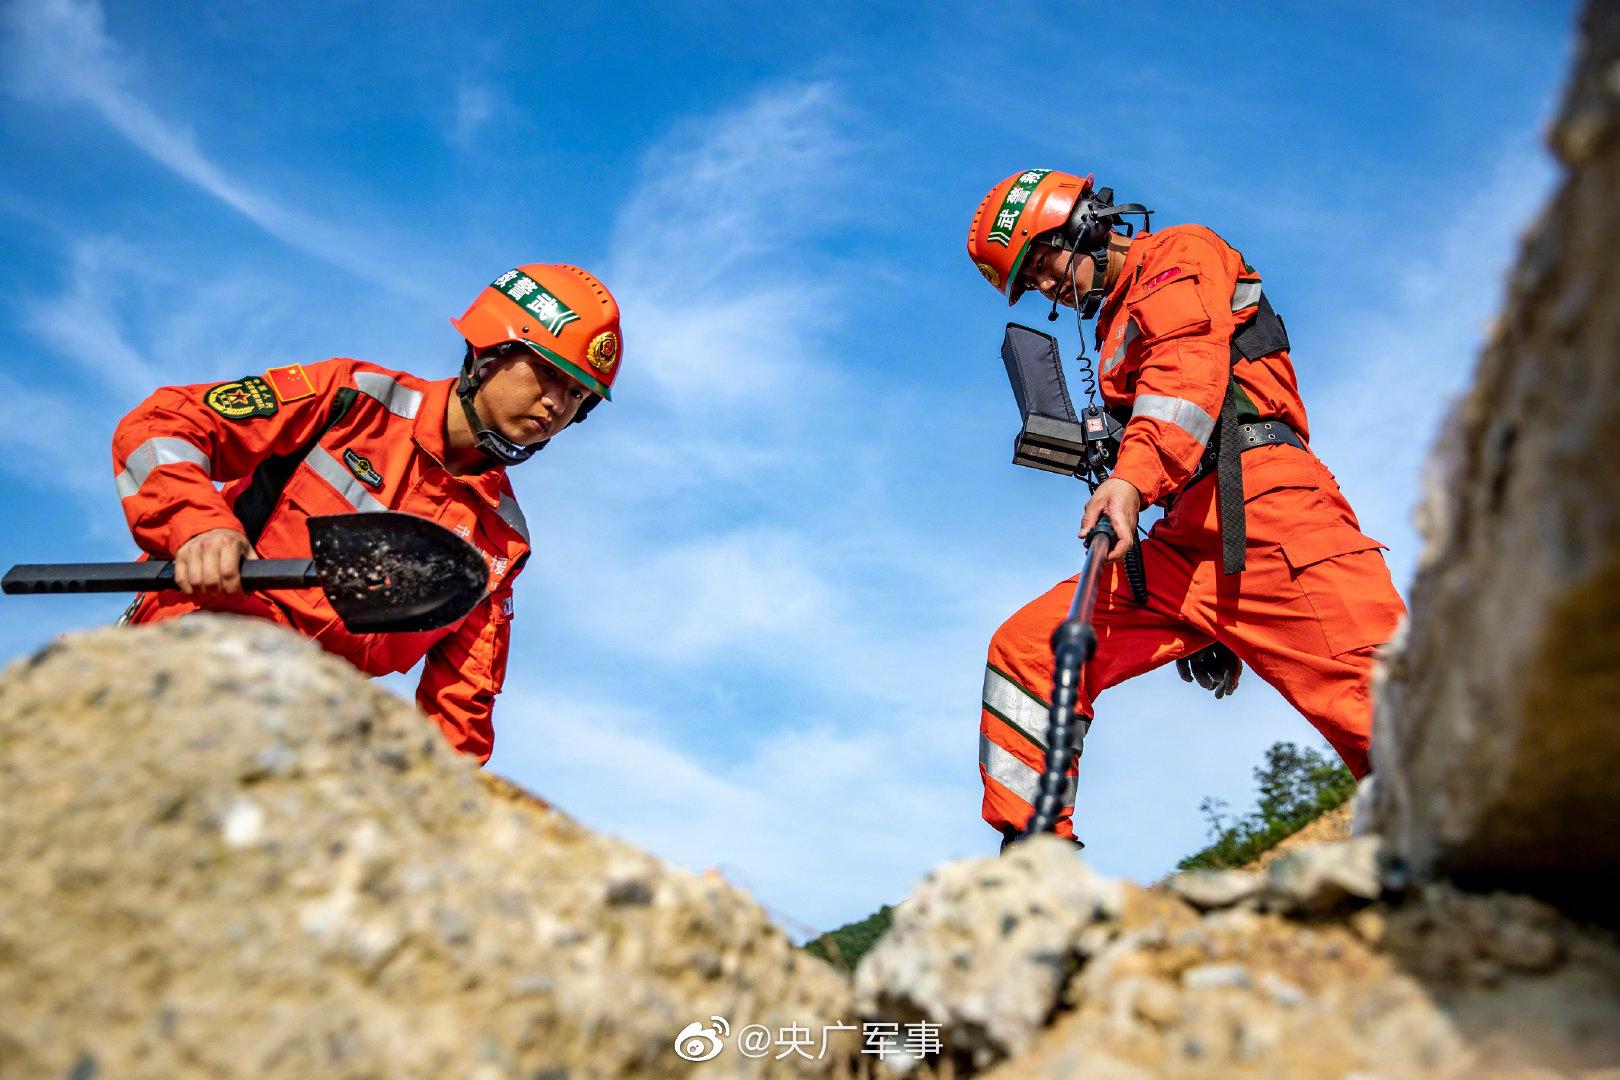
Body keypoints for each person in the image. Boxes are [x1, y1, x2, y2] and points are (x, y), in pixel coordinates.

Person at [966, 169, 1406, 845]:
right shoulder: (1113, 326)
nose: (1043, 289)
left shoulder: (1178, 255)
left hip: (1268, 510)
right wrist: (1209, 612)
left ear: (1077, 224)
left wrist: (1131, 478)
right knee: (1033, 648)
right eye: (1026, 285)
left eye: (1040, 264)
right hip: (1187, 539)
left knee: (1387, 713)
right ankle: (1034, 860)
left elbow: (1184, 379)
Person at [112, 263, 622, 763]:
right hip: (178, 667)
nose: (558, 404)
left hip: (297, 740)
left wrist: (447, 804)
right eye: (548, 374)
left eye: (578, 394)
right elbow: (161, 425)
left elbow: (463, 705)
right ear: (490, 350)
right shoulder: (348, 399)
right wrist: (200, 527)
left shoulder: (500, 540)